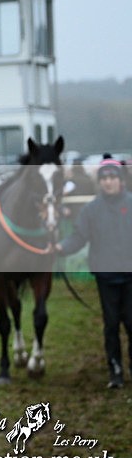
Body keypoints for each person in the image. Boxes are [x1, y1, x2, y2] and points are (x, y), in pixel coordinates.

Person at [55, 155, 132, 389]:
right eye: (105, 178)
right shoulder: (91, 210)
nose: (109, 182)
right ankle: (115, 371)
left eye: (112, 178)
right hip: (106, 278)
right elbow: (79, 236)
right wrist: (61, 248)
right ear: (100, 182)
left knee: (131, 323)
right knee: (111, 325)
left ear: (120, 180)